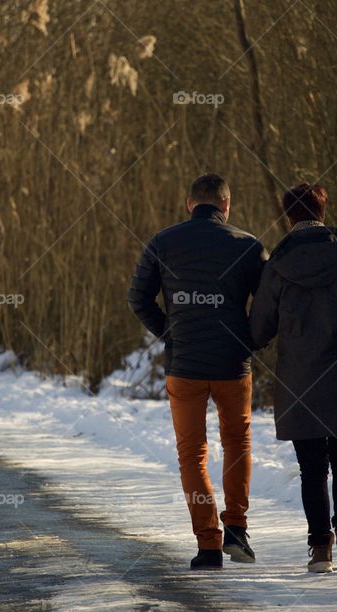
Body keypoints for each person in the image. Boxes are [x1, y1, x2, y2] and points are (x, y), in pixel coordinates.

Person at [128, 173, 266, 570]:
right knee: (237, 442)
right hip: (232, 365)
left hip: (184, 365)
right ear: (226, 204)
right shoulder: (248, 245)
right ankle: (237, 527)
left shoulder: (162, 242)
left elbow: (137, 297)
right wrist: (250, 338)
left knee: (192, 455)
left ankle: (208, 545)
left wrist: (170, 333)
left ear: (190, 204)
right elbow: (271, 303)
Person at [249, 183, 337, 573]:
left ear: (289, 216)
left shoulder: (277, 266)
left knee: (311, 468)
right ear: (323, 213)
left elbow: (259, 331)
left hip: (298, 381)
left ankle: (320, 549)